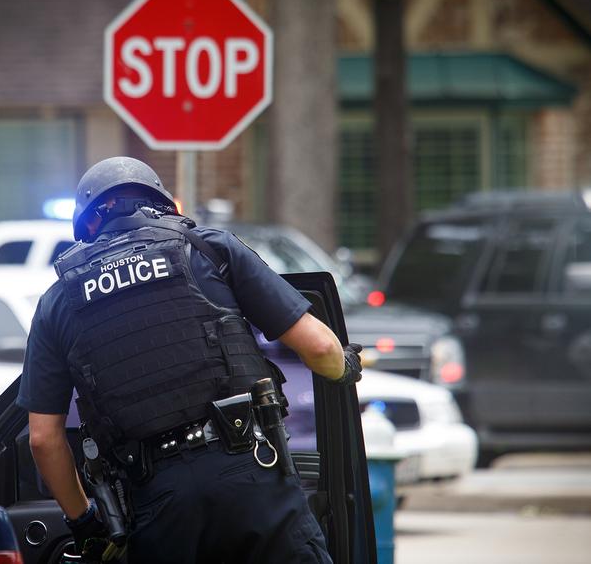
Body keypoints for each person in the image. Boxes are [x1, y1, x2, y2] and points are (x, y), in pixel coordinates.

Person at [18, 156, 363, 563]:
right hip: (250, 473)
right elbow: (321, 349)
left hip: (159, 503)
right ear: (162, 204)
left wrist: (86, 523)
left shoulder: (58, 301)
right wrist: (346, 367)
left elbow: (43, 439)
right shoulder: (208, 248)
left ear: (88, 225)